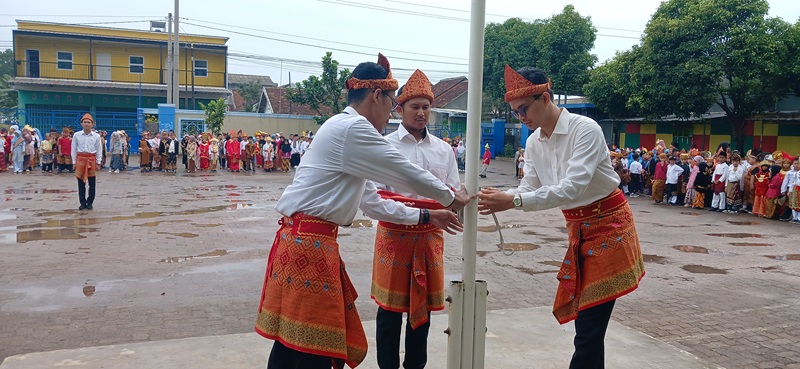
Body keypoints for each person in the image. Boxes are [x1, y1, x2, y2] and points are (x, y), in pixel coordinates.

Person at [255, 54, 472, 369]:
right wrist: (451, 197)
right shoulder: (354, 129)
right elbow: (403, 171)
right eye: (391, 103)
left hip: (307, 242)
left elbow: (373, 202)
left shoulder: (343, 129)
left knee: (295, 345)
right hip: (310, 245)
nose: (390, 113)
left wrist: (428, 215)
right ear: (376, 96)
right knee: (310, 347)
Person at [477, 65, 644, 369]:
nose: (521, 117)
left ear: (546, 97)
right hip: (578, 230)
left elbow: (571, 188)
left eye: (524, 108)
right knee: (589, 327)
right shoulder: (532, 142)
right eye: (515, 112)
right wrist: (499, 197)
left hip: (610, 226)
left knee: (589, 328)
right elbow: (529, 186)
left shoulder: (585, 129)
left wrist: (512, 200)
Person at [369, 70, 461, 369]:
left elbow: (452, 192)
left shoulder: (444, 149)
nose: (421, 113)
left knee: (421, 314)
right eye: (414, 107)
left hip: (429, 236)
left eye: (426, 107)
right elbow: (378, 195)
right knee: (389, 313)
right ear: (400, 109)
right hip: (394, 235)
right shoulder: (384, 146)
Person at [72, 113, 103, 210]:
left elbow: (99, 149)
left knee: (92, 183)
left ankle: (90, 202)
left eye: (88, 122)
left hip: (91, 160)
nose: (86, 124)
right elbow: (73, 149)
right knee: (81, 183)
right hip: (80, 160)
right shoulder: (76, 135)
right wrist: (74, 162)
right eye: (84, 122)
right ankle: (82, 202)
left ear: (92, 124)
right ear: (81, 123)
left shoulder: (96, 136)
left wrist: (98, 162)